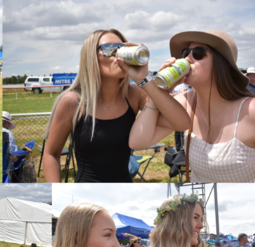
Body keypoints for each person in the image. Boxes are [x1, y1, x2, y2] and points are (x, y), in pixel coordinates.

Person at [128, 30, 255, 182]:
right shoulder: (185, 102)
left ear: (224, 64)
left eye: (198, 53)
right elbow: (138, 141)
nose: (187, 59)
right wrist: (160, 91)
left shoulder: (252, 112)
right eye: (185, 53)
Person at [44, 29, 189, 183]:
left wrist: (150, 83)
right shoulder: (73, 101)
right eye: (109, 50)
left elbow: (180, 123)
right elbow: (51, 154)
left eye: (122, 49)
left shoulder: (134, 94)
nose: (119, 55)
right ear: (90, 57)